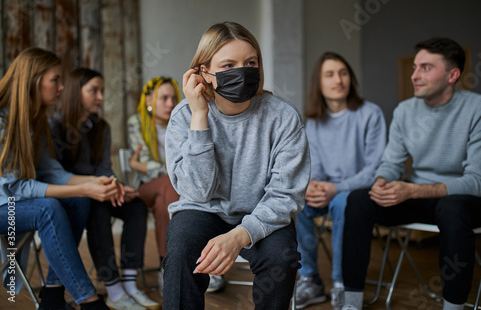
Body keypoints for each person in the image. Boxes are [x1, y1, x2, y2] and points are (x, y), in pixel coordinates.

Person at [341, 37, 481, 310]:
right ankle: (351, 303)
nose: (414, 75)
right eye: (414, 67)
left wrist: (412, 190)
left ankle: (453, 307)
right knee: (358, 200)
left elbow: (478, 182)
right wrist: (381, 182)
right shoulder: (405, 111)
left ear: (453, 75)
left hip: (466, 200)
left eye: (425, 68)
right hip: (419, 196)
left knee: (451, 208)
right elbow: (391, 163)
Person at [163, 21, 310, 310]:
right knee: (181, 248)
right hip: (203, 209)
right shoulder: (184, 116)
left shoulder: (283, 117)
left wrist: (240, 235)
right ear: (203, 73)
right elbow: (197, 192)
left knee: (282, 257)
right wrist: (199, 118)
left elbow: (286, 194)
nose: (242, 72)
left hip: (262, 211)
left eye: (250, 62)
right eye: (228, 65)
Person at [0, 47, 120, 310]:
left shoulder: (34, 119)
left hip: (13, 203)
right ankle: (90, 302)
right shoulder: (2, 120)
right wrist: (87, 187)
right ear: (34, 80)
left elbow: (50, 171)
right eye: (55, 80)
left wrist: (91, 184)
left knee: (79, 201)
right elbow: (13, 187)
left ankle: (53, 295)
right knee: (48, 209)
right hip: (4, 206)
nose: (62, 87)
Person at [50, 68, 160, 310]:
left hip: (99, 191)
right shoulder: (54, 126)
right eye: (94, 91)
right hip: (72, 198)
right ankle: (113, 288)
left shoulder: (101, 127)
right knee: (96, 206)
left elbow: (105, 169)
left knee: (136, 207)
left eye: (101, 91)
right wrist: (95, 186)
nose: (100, 97)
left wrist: (116, 185)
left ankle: (130, 284)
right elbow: (53, 175)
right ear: (74, 92)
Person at [295, 52, 387, 310]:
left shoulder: (370, 114)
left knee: (341, 204)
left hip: (361, 194)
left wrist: (336, 189)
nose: (339, 79)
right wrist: (313, 185)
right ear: (319, 83)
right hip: (329, 191)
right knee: (296, 200)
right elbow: (317, 168)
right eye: (330, 74)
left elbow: (375, 169)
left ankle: (341, 283)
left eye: (343, 73)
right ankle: (310, 279)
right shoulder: (314, 121)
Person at [126, 75, 181, 293]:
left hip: (173, 190)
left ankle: (167, 265)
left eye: (174, 98)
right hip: (145, 186)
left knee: (163, 202)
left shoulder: (182, 122)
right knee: (168, 184)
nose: (170, 104)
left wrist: (143, 165)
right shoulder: (137, 122)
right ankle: (180, 262)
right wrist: (144, 167)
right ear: (149, 101)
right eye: (164, 98)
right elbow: (148, 165)